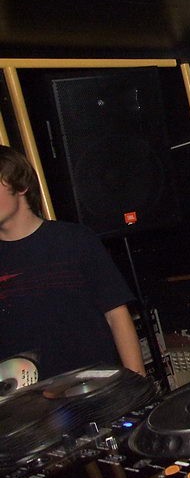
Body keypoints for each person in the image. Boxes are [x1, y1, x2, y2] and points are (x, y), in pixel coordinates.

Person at [0, 145, 146, 379]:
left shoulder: (75, 240)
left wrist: (136, 383)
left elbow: (116, 315)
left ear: (21, 185)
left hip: (92, 388)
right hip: (24, 399)